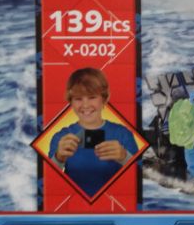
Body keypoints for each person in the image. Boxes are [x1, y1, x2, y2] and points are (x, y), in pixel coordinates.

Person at [49, 68, 138, 197]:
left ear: (104, 99)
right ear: (71, 102)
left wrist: (125, 157)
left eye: (92, 97)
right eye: (78, 98)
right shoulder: (61, 137)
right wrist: (58, 158)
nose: (85, 105)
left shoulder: (123, 134)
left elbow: (142, 179)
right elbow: (48, 184)